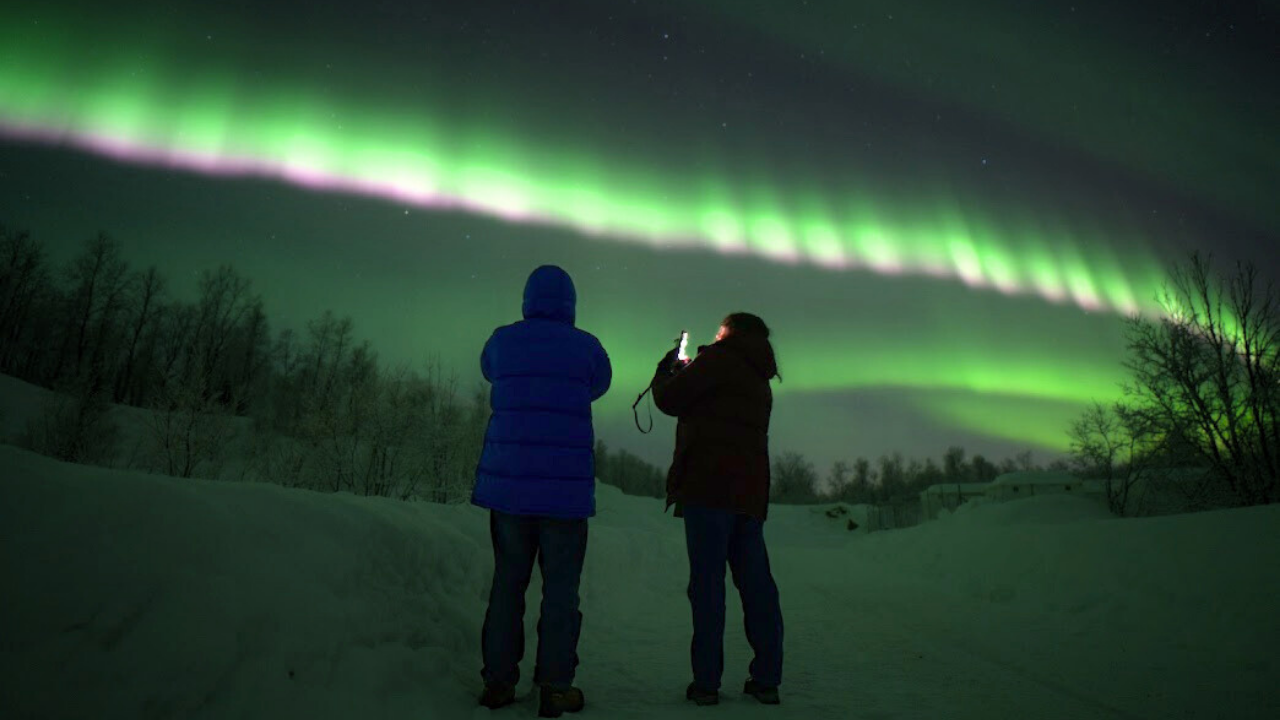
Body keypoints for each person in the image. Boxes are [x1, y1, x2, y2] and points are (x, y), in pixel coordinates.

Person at [472, 265, 612, 718]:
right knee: (561, 591)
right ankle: (555, 686)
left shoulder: (502, 341)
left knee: (507, 584)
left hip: (509, 490)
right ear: (571, 304)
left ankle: (497, 682)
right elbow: (600, 384)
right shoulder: (587, 348)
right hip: (565, 498)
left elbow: (488, 370)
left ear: (527, 300)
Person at [651, 312, 785, 707]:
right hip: (749, 496)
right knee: (757, 587)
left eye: (721, 330)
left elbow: (669, 399)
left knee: (708, 587)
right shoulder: (760, 376)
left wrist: (666, 369)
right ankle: (766, 680)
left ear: (730, 332)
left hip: (707, 491)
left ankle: (707, 684)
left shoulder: (718, 360)